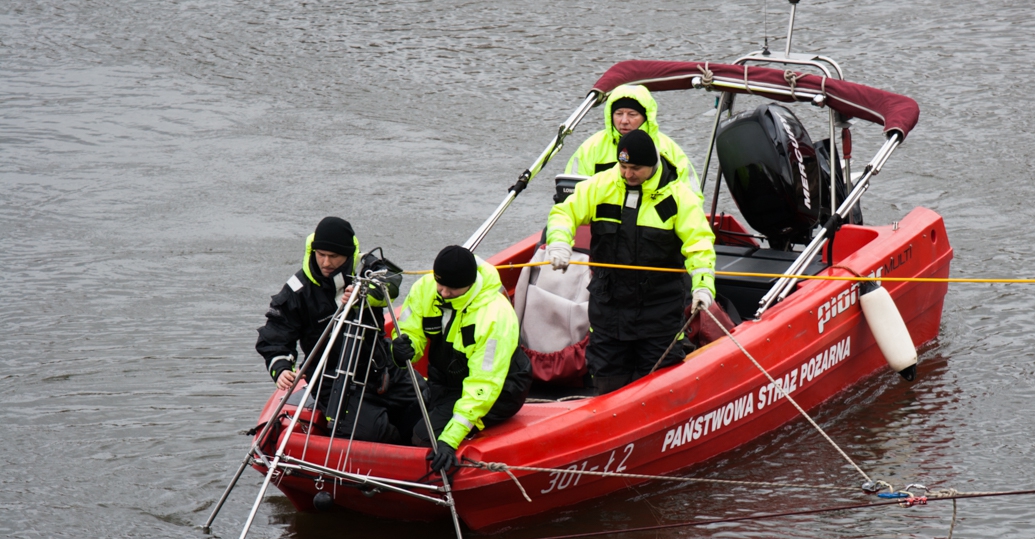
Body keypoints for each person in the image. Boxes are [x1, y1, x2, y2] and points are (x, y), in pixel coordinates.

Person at [545, 129, 716, 394]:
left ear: (652, 165)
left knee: (659, 388)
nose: (627, 174)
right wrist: (559, 241)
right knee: (606, 382)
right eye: (623, 167)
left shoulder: (678, 198)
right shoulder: (601, 186)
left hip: (659, 314)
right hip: (608, 310)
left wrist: (703, 286)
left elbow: (700, 245)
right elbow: (564, 213)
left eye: (635, 168)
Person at [255, 216, 418, 444]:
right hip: (332, 379)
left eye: (333, 256)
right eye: (321, 254)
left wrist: (366, 294)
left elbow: (392, 283)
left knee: (425, 403)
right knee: (374, 434)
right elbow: (275, 335)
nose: (326, 262)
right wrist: (280, 368)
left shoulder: (366, 269)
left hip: (379, 365)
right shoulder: (298, 291)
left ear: (348, 255)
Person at [395, 245, 532, 473]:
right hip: (446, 382)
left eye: (453, 288)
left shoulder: (494, 316)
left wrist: (451, 439)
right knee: (400, 426)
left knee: (423, 438)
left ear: (470, 283)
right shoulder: (426, 289)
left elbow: (484, 383)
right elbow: (410, 331)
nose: (444, 293)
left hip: (500, 390)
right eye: (440, 284)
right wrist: (403, 349)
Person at [565, 84, 701, 199]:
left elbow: (692, 197)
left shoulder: (668, 150)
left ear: (646, 117)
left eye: (632, 114)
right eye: (619, 114)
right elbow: (569, 193)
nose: (624, 121)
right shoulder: (591, 148)